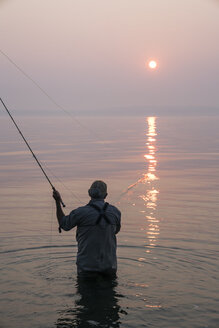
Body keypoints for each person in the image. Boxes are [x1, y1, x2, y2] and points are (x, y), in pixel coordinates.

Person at [53, 180, 121, 279]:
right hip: (109, 267)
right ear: (106, 195)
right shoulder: (115, 212)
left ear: (89, 193)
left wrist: (57, 201)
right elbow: (116, 231)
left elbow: (64, 225)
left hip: (87, 268)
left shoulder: (80, 212)